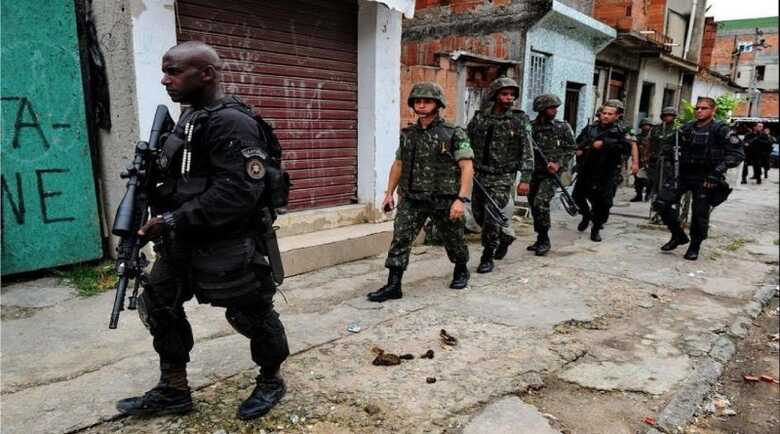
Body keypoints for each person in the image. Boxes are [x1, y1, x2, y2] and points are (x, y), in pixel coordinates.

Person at [116, 42, 290, 420]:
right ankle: (174, 388)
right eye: (165, 71)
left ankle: (271, 378)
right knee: (158, 304)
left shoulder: (232, 123)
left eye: (174, 71)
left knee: (252, 314)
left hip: (228, 244)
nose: (165, 79)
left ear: (206, 74)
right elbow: (183, 179)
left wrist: (173, 219)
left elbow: (240, 191)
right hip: (182, 242)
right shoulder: (191, 116)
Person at [367, 82, 474, 302]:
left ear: (437, 104)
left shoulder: (453, 133)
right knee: (400, 239)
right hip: (412, 198)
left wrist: (460, 199)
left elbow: (467, 167)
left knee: (453, 238)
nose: (421, 105)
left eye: (427, 101)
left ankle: (461, 268)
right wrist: (389, 193)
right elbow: (399, 164)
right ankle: (393, 285)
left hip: (443, 199)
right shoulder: (408, 134)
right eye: (417, 101)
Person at [654, 96, 744, 260]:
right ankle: (678, 235)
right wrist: (669, 153)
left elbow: (737, 154)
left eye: (704, 108)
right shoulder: (687, 128)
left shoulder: (721, 130)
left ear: (713, 110)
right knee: (661, 202)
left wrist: (717, 173)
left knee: (699, 214)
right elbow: (669, 145)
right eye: (697, 108)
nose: (699, 111)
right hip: (682, 174)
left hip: (706, 177)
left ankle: (695, 245)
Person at [466, 77, 533, 271]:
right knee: (478, 215)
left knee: (492, 217)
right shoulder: (480, 117)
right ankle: (504, 236)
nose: (509, 98)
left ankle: (488, 256)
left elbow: (527, 151)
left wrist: (525, 179)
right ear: (495, 95)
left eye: (512, 95)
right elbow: (467, 140)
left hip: (503, 176)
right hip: (479, 174)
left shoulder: (519, 119)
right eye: (505, 94)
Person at [572, 101, 634, 242]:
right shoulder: (591, 128)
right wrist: (579, 150)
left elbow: (626, 149)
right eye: (604, 113)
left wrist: (606, 144)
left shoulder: (621, 131)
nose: (605, 116)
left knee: (603, 202)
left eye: (609, 114)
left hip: (607, 171)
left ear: (616, 116)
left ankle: (596, 229)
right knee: (577, 196)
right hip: (587, 168)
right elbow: (579, 141)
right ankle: (586, 215)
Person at [527, 94, 576, 256]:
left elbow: (570, 149)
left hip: (551, 174)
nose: (554, 111)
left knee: (541, 202)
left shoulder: (562, 127)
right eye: (551, 108)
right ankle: (539, 235)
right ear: (541, 109)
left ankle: (544, 239)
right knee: (533, 203)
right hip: (534, 172)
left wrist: (558, 163)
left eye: (555, 108)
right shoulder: (530, 127)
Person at [631, 118, 653, 202]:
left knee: (649, 180)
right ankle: (638, 195)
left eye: (648, 125)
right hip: (639, 160)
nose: (646, 127)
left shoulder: (652, 137)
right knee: (637, 180)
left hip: (650, 161)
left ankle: (648, 195)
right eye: (644, 125)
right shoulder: (638, 137)